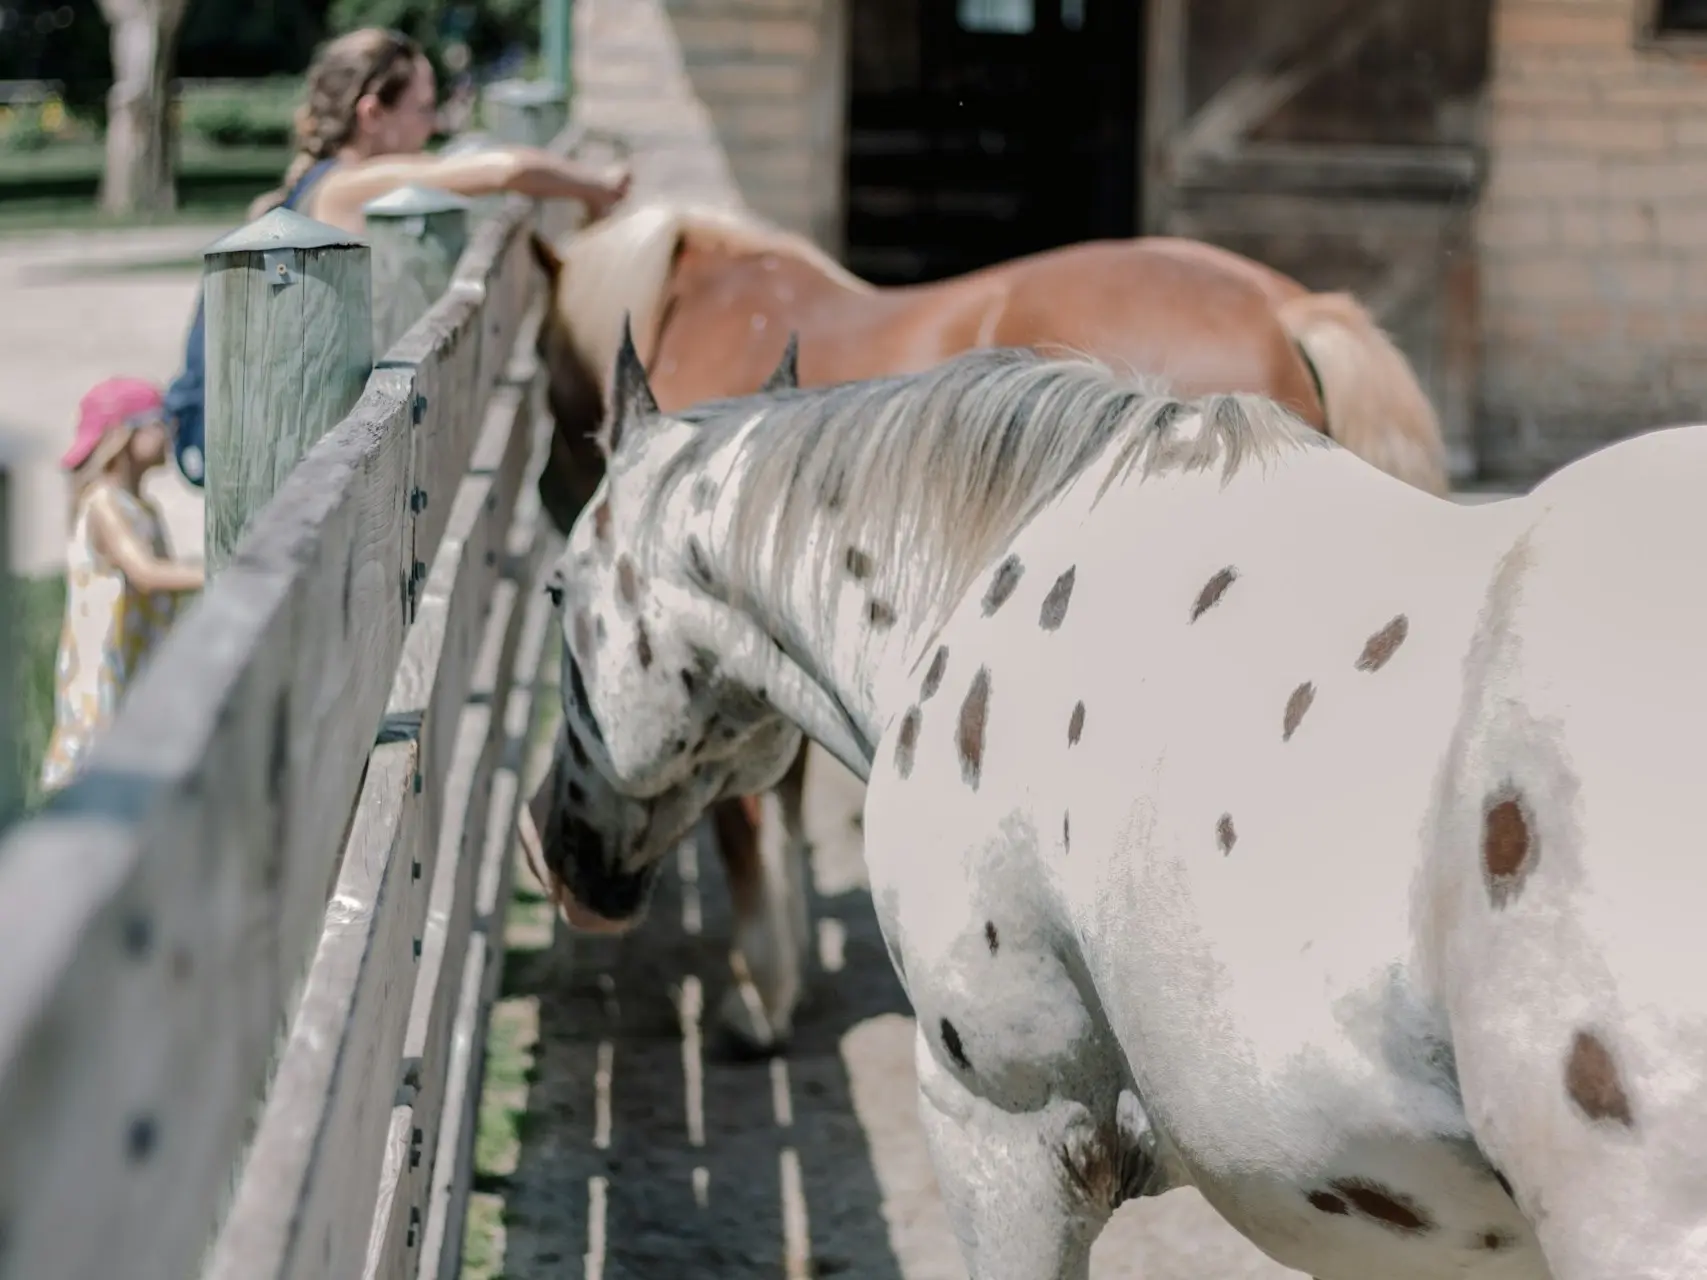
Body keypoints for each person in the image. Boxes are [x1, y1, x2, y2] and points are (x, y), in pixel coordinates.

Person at [163, 27, 632, 486]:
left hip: (264, 432)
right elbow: (507, 170)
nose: (433, 125)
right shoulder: (347, 187)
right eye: (424, 109)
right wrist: (597, 187)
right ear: (372, 113)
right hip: (261, 453)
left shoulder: (312, 186)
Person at [40, 378, 205, 794]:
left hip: (133, 659)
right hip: (104, 666)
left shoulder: (141, 506)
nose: (168, 433)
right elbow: (146, 574)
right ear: (126, 434)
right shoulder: (104, 504)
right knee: (99, 762)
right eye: (159, 423)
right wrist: (219, 571)